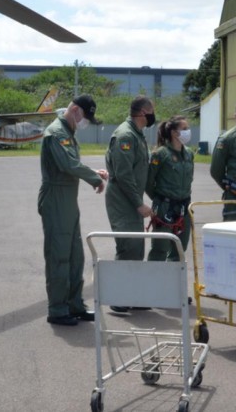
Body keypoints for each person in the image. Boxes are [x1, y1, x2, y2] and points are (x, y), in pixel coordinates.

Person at [38, 94, 108, 326]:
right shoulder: (56, 133)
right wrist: (94, 179)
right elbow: (67, 164)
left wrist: (92, 173)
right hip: (56, 198)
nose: (85, 121)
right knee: (59, 255)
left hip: (67, 198)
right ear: (75, 110)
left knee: (75, 256)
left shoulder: (67, 133)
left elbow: (71, 164)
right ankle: (58, 309)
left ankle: (74, 305)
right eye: (85, 116)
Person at [105, 95, 154, 313]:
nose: (153, 115)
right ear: (144, 112)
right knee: (127, 248)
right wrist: (138, 203)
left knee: (136, 248)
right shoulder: (125, 135)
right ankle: (119, 297)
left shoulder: (137, 134)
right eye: (152, 111)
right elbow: (124, 175)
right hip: (123, 201)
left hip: (131, 199)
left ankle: (133, 295)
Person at [146, 116, 194, 262]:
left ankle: (173, 283)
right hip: (164, 208)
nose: (188, 132)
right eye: (184, 129)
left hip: (184, 208)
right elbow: (148, 182)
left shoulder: (189, 153)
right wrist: (160, 200)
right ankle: (153, 282)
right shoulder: (160, 154)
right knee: (160, 249)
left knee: (179, 249)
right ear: (174, 133)